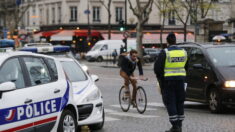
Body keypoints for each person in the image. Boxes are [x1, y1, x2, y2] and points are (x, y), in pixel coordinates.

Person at [154, 32, 187, 132]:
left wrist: (161, 80)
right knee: (179, 102)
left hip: (168, 82)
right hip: (181, 81)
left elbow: (157, 68)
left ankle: (175, 126)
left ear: (167, 42)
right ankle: (179, 125)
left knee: (170, 103)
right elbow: (187, 66)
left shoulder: (165, 52)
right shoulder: (183, 52)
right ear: (175, 41)